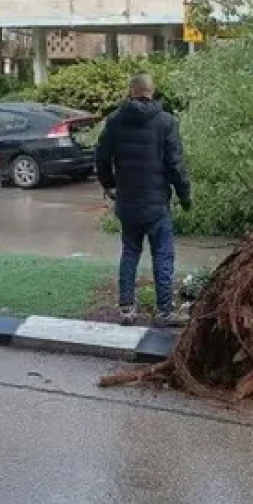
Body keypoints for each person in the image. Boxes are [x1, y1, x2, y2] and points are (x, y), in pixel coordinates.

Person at [96, 73, 192, 326]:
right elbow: (176, 165)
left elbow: (101, 158)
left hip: (127, 202)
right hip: (157, 203)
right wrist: (185, 196)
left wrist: (109, 184)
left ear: (131, 91)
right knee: (162, 255)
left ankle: (127, 308)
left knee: (130, 252)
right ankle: (164, 311)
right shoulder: (165, 122)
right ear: (152, 91)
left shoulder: (115, 122)